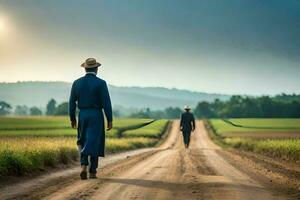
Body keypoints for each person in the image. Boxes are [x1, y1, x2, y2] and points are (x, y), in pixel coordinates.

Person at [69, 58, 113, 180]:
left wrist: (72, 118)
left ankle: (83, 165)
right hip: (96, 115)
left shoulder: (76, 83)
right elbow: (106, 103)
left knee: (82, 140)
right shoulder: (101, 83)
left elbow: (72, 102)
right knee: (95, 141)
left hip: (82, 114)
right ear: (96, 69)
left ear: (85, 68)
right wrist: (109, 119)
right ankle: (92, 171)